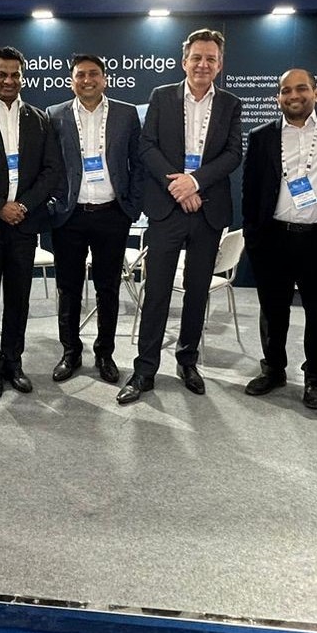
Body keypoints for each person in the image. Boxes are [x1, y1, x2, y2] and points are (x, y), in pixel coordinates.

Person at [117, 29, 242, 405]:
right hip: (167, 207)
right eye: (197, 57)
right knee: (155, 291)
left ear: (219, 65)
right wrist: (178, 186)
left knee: (196, 290)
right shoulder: (161, 96)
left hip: (207, 207)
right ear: (184, 60)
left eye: (211, 59)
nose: (203, 64)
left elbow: (233, 154)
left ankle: (188, 361)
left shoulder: (231, 103)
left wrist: (195, 183)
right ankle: (144, 369)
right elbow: (146, 146)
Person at [240, 68, 317, 408]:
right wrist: (253, 235)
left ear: (316, 93)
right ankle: (274, 369)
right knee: (273, 310)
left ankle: (315, 378)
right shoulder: (262, 135)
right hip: (274, 237)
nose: (294, 96)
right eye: (286, 91)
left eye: (301, 89)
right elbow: (250, 191)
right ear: (278, 97)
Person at [0, 46, 63, 398]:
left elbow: (51, 171)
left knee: (19, 299)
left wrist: (23, 206)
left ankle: (13, 362)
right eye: (1, 74)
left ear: (22, 76)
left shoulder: (39, 119)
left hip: (24, 225)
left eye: (15, 74)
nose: (8, 80)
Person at [45, 54, 143, 385]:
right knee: (68, 288)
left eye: (94, 74)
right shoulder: (55, 114)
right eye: (81, 75)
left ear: (105, 78)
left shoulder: (126, 114)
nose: (87, 80)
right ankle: (70, 352)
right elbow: (50, 166)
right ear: (71, 80)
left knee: (108, 288)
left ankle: (105, 353)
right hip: (70, 215)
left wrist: (133, 205)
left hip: (112, 214)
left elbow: (138, 162)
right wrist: (54, 203)